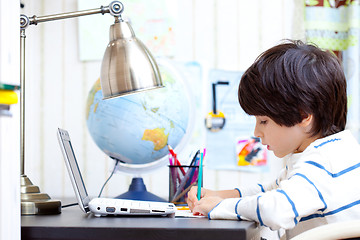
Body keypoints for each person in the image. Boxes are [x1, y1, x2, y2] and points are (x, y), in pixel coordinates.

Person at [187, 40, 360, 239]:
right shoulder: (338, 151)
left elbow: (275, 209)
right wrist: (221, 194)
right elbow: (272, 190)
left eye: (263, 121)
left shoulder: (322, 162)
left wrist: (220, 207)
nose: (256, 132)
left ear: (304, 116)